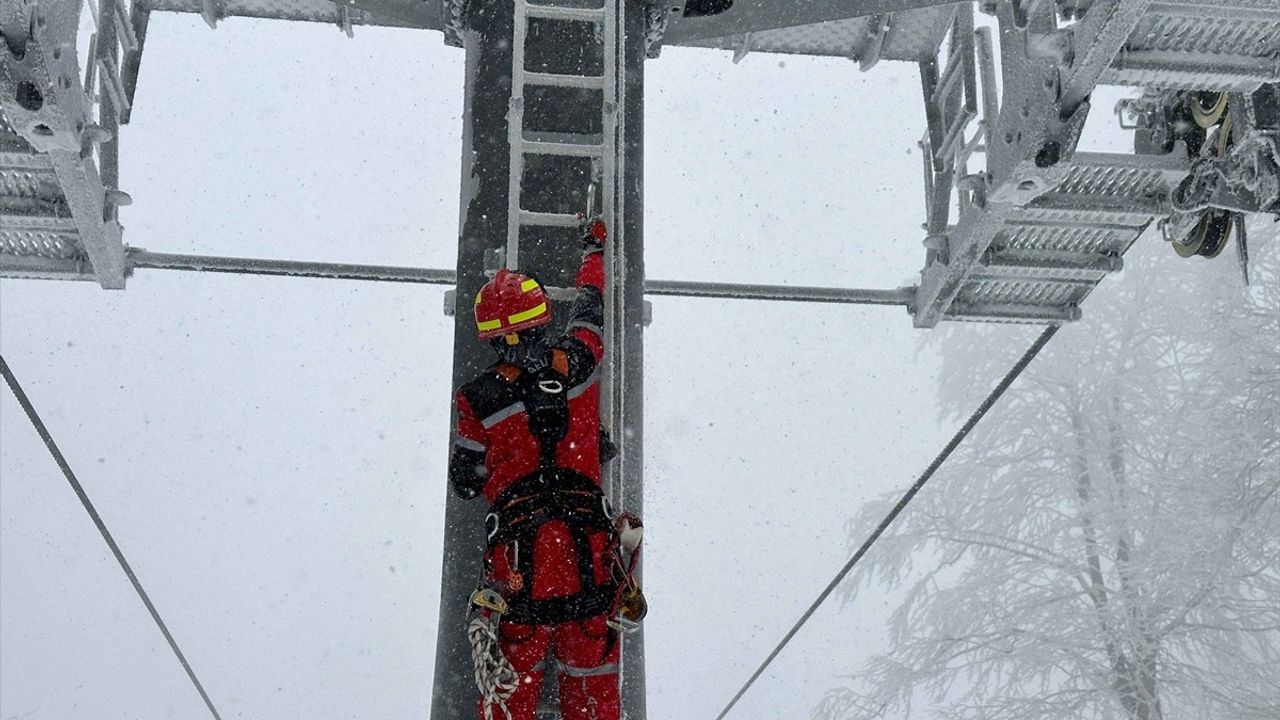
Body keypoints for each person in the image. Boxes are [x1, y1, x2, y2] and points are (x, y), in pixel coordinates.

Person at [449, 218, 639, 720]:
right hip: (590, 568)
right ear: (541, 316)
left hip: (519, 579)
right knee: (594, 697)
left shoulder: (476, 399)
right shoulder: (578, 359)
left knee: (509, 696)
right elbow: (591, 310)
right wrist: (593, 249)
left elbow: (465, 482)